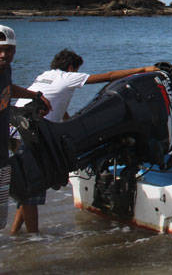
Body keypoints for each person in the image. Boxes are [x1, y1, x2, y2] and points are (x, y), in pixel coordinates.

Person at [10, 48, 159, 234]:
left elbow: (55, 102)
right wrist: (143, 70)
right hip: (33, 134)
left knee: (26, 183)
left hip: (16, 129)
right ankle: (33, 238)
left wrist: (68, 121)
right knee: (32, 187)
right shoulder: (68, 77)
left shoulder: (45, 75)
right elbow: (109, 76)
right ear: (71, 67)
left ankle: (15, 233)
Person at [0, 25, 51, 231]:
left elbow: (8, 89)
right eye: (0, 49)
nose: (4, 54)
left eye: (9, 49)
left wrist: (35, 95)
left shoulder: (5, 69)